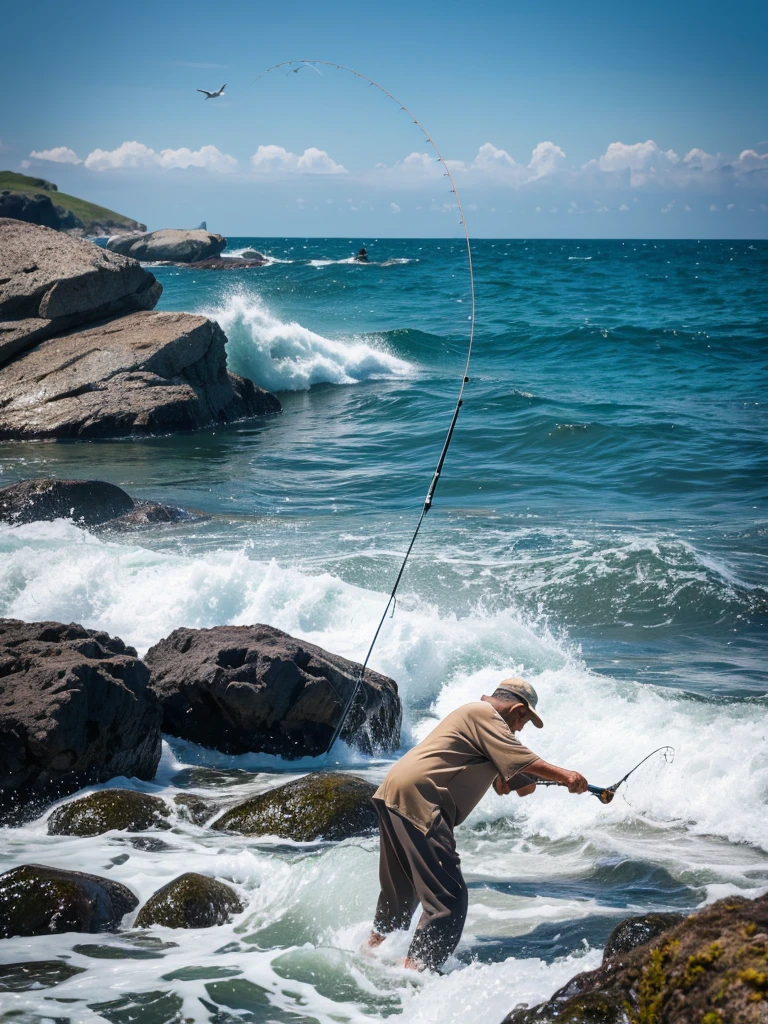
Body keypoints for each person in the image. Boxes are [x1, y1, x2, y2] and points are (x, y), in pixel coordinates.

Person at [365, 678, 588, 971]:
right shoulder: (484, 715)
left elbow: (523, 786)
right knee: (448, 897)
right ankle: (416, 973)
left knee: (401, 890)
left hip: (395, 793)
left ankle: (371, 953)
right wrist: (568, 776)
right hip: (422, 798)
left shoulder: (481, 727)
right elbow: (523, 760)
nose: (521, 730)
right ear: (518, 710)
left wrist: (507, 780)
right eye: (524, 722)